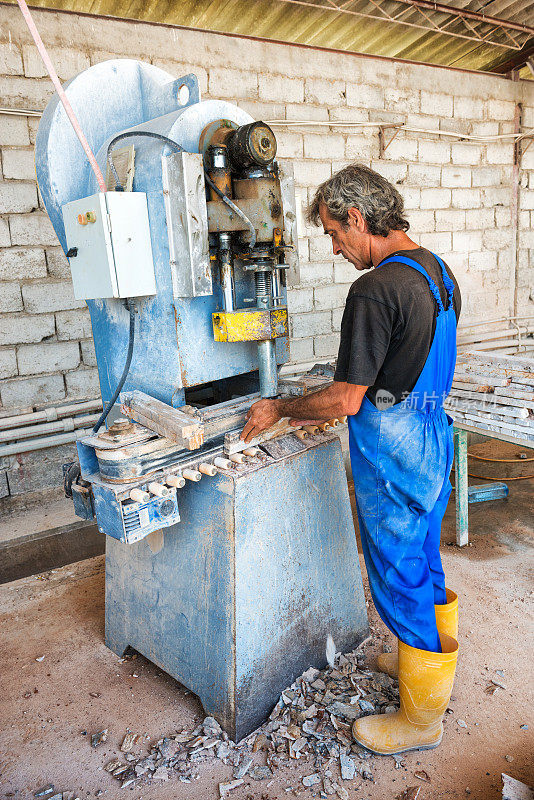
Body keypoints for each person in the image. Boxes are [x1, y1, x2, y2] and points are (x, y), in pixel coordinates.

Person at [240, 163, 461, 756]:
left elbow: (345, 400)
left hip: (394, 447)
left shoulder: (373, 289)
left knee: (396, 571)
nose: (337, 249)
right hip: (433, 435)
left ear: (358, 218)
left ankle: (421, 721)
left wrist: (281, 407)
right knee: (423, 554)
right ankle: (428, 662)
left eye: (336, 235)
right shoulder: (436, 270)